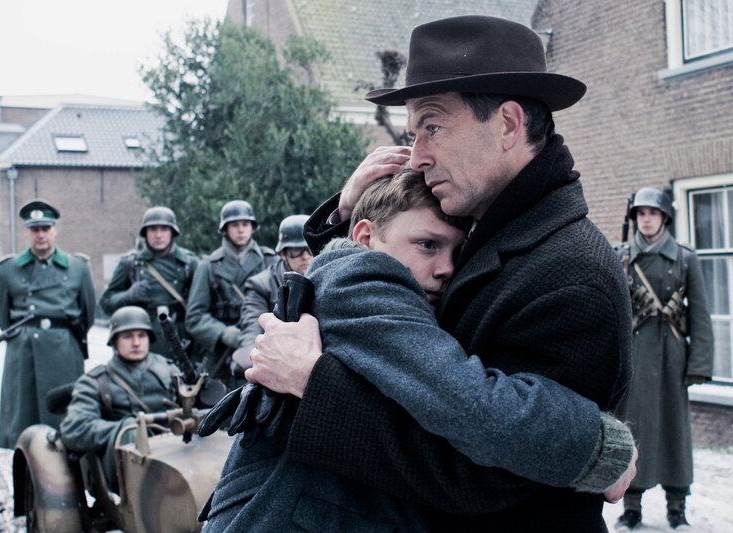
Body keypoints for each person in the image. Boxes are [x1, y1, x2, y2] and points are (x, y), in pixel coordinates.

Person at [246, 15, 635, 530]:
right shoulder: (487, 226)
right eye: (413, 135)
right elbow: (382, 302)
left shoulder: (571, 276)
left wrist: (313, 382)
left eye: (432, 127)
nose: (417, 157)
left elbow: (474, 477)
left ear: (508, 124)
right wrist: (349, 220)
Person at [203, 170, 635, 532]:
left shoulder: (358, 274)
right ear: (364, 236)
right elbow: (469, 401)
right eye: (427, 245)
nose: (446, 268)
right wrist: (603, 450)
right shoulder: (362, 284)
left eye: (457, 251)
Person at [614, 188, 714, 530]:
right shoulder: (622, 256)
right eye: (641, 213)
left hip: (672, 356)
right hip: (635, 357)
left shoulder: (685, 259)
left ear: (665, 218)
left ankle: (677, 508)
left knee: (674, 432)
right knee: (633, 430)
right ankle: (631, 507)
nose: (646, 219)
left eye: (653, 213)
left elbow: (700, 314)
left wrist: (699, 364)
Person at [0, 199, 95, 449]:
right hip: (24, 352)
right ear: (26, 232)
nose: (40, 235)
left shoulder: (78, 267)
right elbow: (4, 320)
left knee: (65, 422)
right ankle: (25, 467)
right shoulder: (8, 270)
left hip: (64, 351)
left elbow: (88, 313)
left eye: (45, 228)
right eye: (34, 229)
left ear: (55, 230)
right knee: (23, 421)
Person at [60, 306, 178, 490]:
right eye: (128, 336)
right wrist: (125, 429)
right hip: (125, 469)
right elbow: (75, 428)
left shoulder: (171, 371)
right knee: (130, 428)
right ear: (114, 341)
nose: (136, 343)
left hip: (176, 455)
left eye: (141, 335)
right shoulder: (97, 380)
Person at [186, 200, 277, 379]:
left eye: (245, 224)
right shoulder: (208, 266)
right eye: (235, 225)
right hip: (223, 355)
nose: (241, 230)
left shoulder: (269, 261)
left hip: (264, 348)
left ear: (253, 227)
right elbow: (194, 317)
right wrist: (223, 333)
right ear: (225, 229)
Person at [100, 206, 200, 361]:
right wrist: (128, 296)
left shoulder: (189, 263)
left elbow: (204, 305)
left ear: (172, 232)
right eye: (153, 229)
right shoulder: (130, 263)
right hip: (144, 338)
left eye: (164, 229)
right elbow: (106, 303)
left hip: (182, 339)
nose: (158, 235)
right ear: (145, 233)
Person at [230, 214, 313, 373]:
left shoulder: (328, 278)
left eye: (310, 248)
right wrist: (251, 356)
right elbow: (252, 324)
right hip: (279, 360)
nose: (305, 256)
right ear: (283, 253)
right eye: (296, 250)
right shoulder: (261, 284)